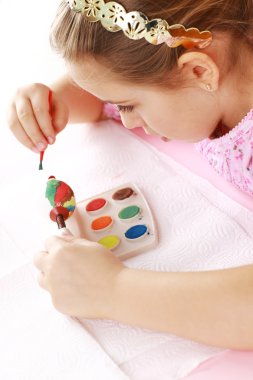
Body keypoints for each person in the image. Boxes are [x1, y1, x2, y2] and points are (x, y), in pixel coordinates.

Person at [6, 0, 253, 349]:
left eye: (127, 105)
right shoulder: (217, 67)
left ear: (199, 71)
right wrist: (54, 99)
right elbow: (117, 81)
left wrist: (112, 290)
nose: (125, 119)